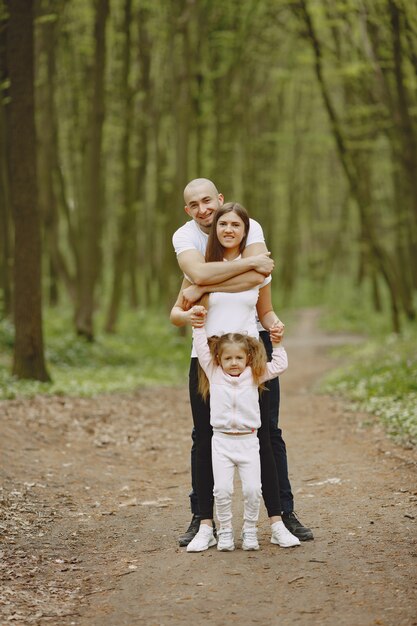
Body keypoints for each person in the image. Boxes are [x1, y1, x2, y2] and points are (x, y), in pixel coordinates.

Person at [171, 178, 313, 545]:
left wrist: (204, 285)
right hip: (207, 351)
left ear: (219, 201)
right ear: (188, 210)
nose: (204, 210)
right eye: (195, 205)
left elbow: (260, 276)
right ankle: (202, 519)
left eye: (209, 202)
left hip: (250, 346)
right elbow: (202, 277)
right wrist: (209, 279)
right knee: (204, 435)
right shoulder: (188, 241)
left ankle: (282, 513)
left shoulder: (248, 225)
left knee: (267, 431)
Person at [191, 320, 297, 551]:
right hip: (221, 442)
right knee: (222, 490)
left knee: (252, 490)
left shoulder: (255, 375)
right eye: (228, 359)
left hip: (249, 442)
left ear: (248, 357)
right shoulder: (213, 373)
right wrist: (198, 326)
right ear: (218, 359)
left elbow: (279, 366)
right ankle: (226, 532)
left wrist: (277, 345)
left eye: (239, 358)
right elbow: (200, 348)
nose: (234, 363)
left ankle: (250, 531)